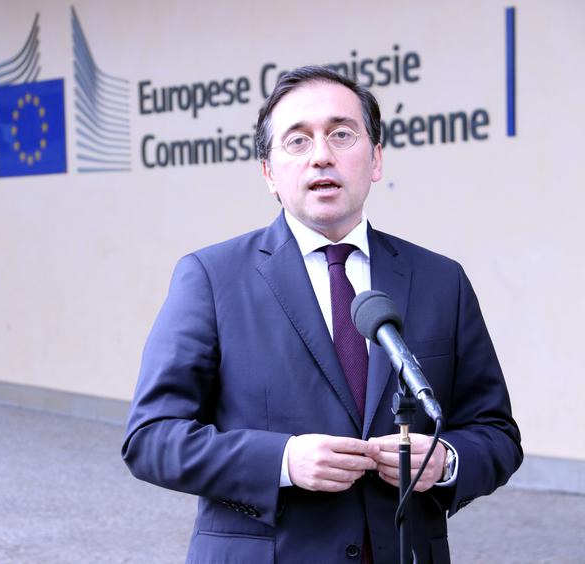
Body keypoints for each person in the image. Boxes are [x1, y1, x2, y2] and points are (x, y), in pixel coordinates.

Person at [122, 65, 522, 564]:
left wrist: (446, 462)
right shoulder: (211, 277)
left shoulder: (442, 280)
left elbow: (496, 432)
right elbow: (151, 437)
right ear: (269, 173)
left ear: (375, 159)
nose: (321, 156)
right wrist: (283, 461)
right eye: (297, 141)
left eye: (341, 134)